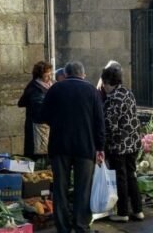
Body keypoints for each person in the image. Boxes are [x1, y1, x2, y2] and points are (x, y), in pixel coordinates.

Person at [40, 61, 105, 233]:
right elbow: (100, 122)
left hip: (59, 146)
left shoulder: (55, 89)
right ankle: (81, 225)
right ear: (83, 74)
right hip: (85, 147)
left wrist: (58, 122)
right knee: (83, 189)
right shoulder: (91, 90)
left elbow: (43, 115)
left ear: (66, 74)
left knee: (60, 189)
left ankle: (63, 227)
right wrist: (100, 148)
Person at [100, 64, 144, 222]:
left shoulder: (112, 99)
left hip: (119, 145)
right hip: (133, 142)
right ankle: (138, 210)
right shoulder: (128, 92)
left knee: (121, 177)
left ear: (107, 82)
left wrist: (103, 145)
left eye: (103, 83)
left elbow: (110, 126)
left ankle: (123, 213)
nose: (103, 87)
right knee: (131, 175)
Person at [18, 61, 53, 158]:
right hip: (37, 126)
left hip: (46, 126)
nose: (49, 78)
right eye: (46, 76)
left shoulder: (50, 85)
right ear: (39, 76)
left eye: (50, 74)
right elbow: (39, 109)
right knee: (38, 154)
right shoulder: (35, 88)